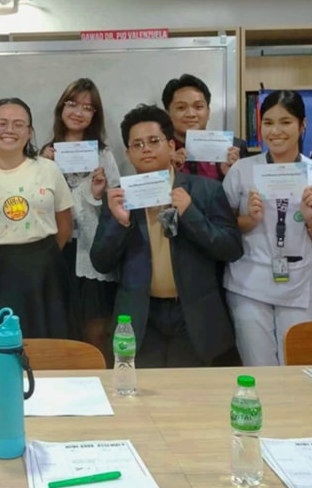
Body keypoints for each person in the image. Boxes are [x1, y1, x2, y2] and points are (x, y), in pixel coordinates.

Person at [90, 104, 242, 367]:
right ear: (128, 153)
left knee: (187, 390)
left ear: (171, 146)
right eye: (137, 144)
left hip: (193, 316)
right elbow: (101, 262)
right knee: (143, 391)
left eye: (154, 141)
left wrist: (191, 214)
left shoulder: (206, 190)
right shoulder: (118, 197)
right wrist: (121, 223)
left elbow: (231, 249)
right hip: (141, 316)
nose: (146, 149)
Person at [222, 90, 312, 366]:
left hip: (299, 285)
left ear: (302, 125)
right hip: (249, 284)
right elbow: (223, 229)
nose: (275, 131)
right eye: (268, 122)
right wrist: (249, 219)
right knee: (258, 366)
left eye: (285, 122)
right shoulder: (242, 170)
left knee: (296, 366)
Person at [0, 98, 73, 338]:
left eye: (18, 124)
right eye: (1, 123)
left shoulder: (48, 169)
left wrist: (43, 255)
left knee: (50, 341)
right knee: (2, 341)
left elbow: (64, 224)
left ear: (29, 132)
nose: (9, 130)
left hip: (45, 268)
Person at [40, 78, 120, 357]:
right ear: (61, 108)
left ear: (95, 115)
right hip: (56, 247)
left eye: (87, 107)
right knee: (60, 327)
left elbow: (117, 204)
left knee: (95, 329)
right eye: (72, 104)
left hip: (91, 249)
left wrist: (99, 193)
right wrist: (45, 168)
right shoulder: (45, 154)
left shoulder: (103, 154)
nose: (78, 112)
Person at [162, 74, 246, 180]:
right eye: (181, 108)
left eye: (198, 107)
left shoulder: (235, 147)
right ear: (167, 114)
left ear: (208, 112)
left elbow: (249, 188)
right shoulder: (158, 151)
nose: (191, 114)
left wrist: (235, 173)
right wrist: (168, 171)